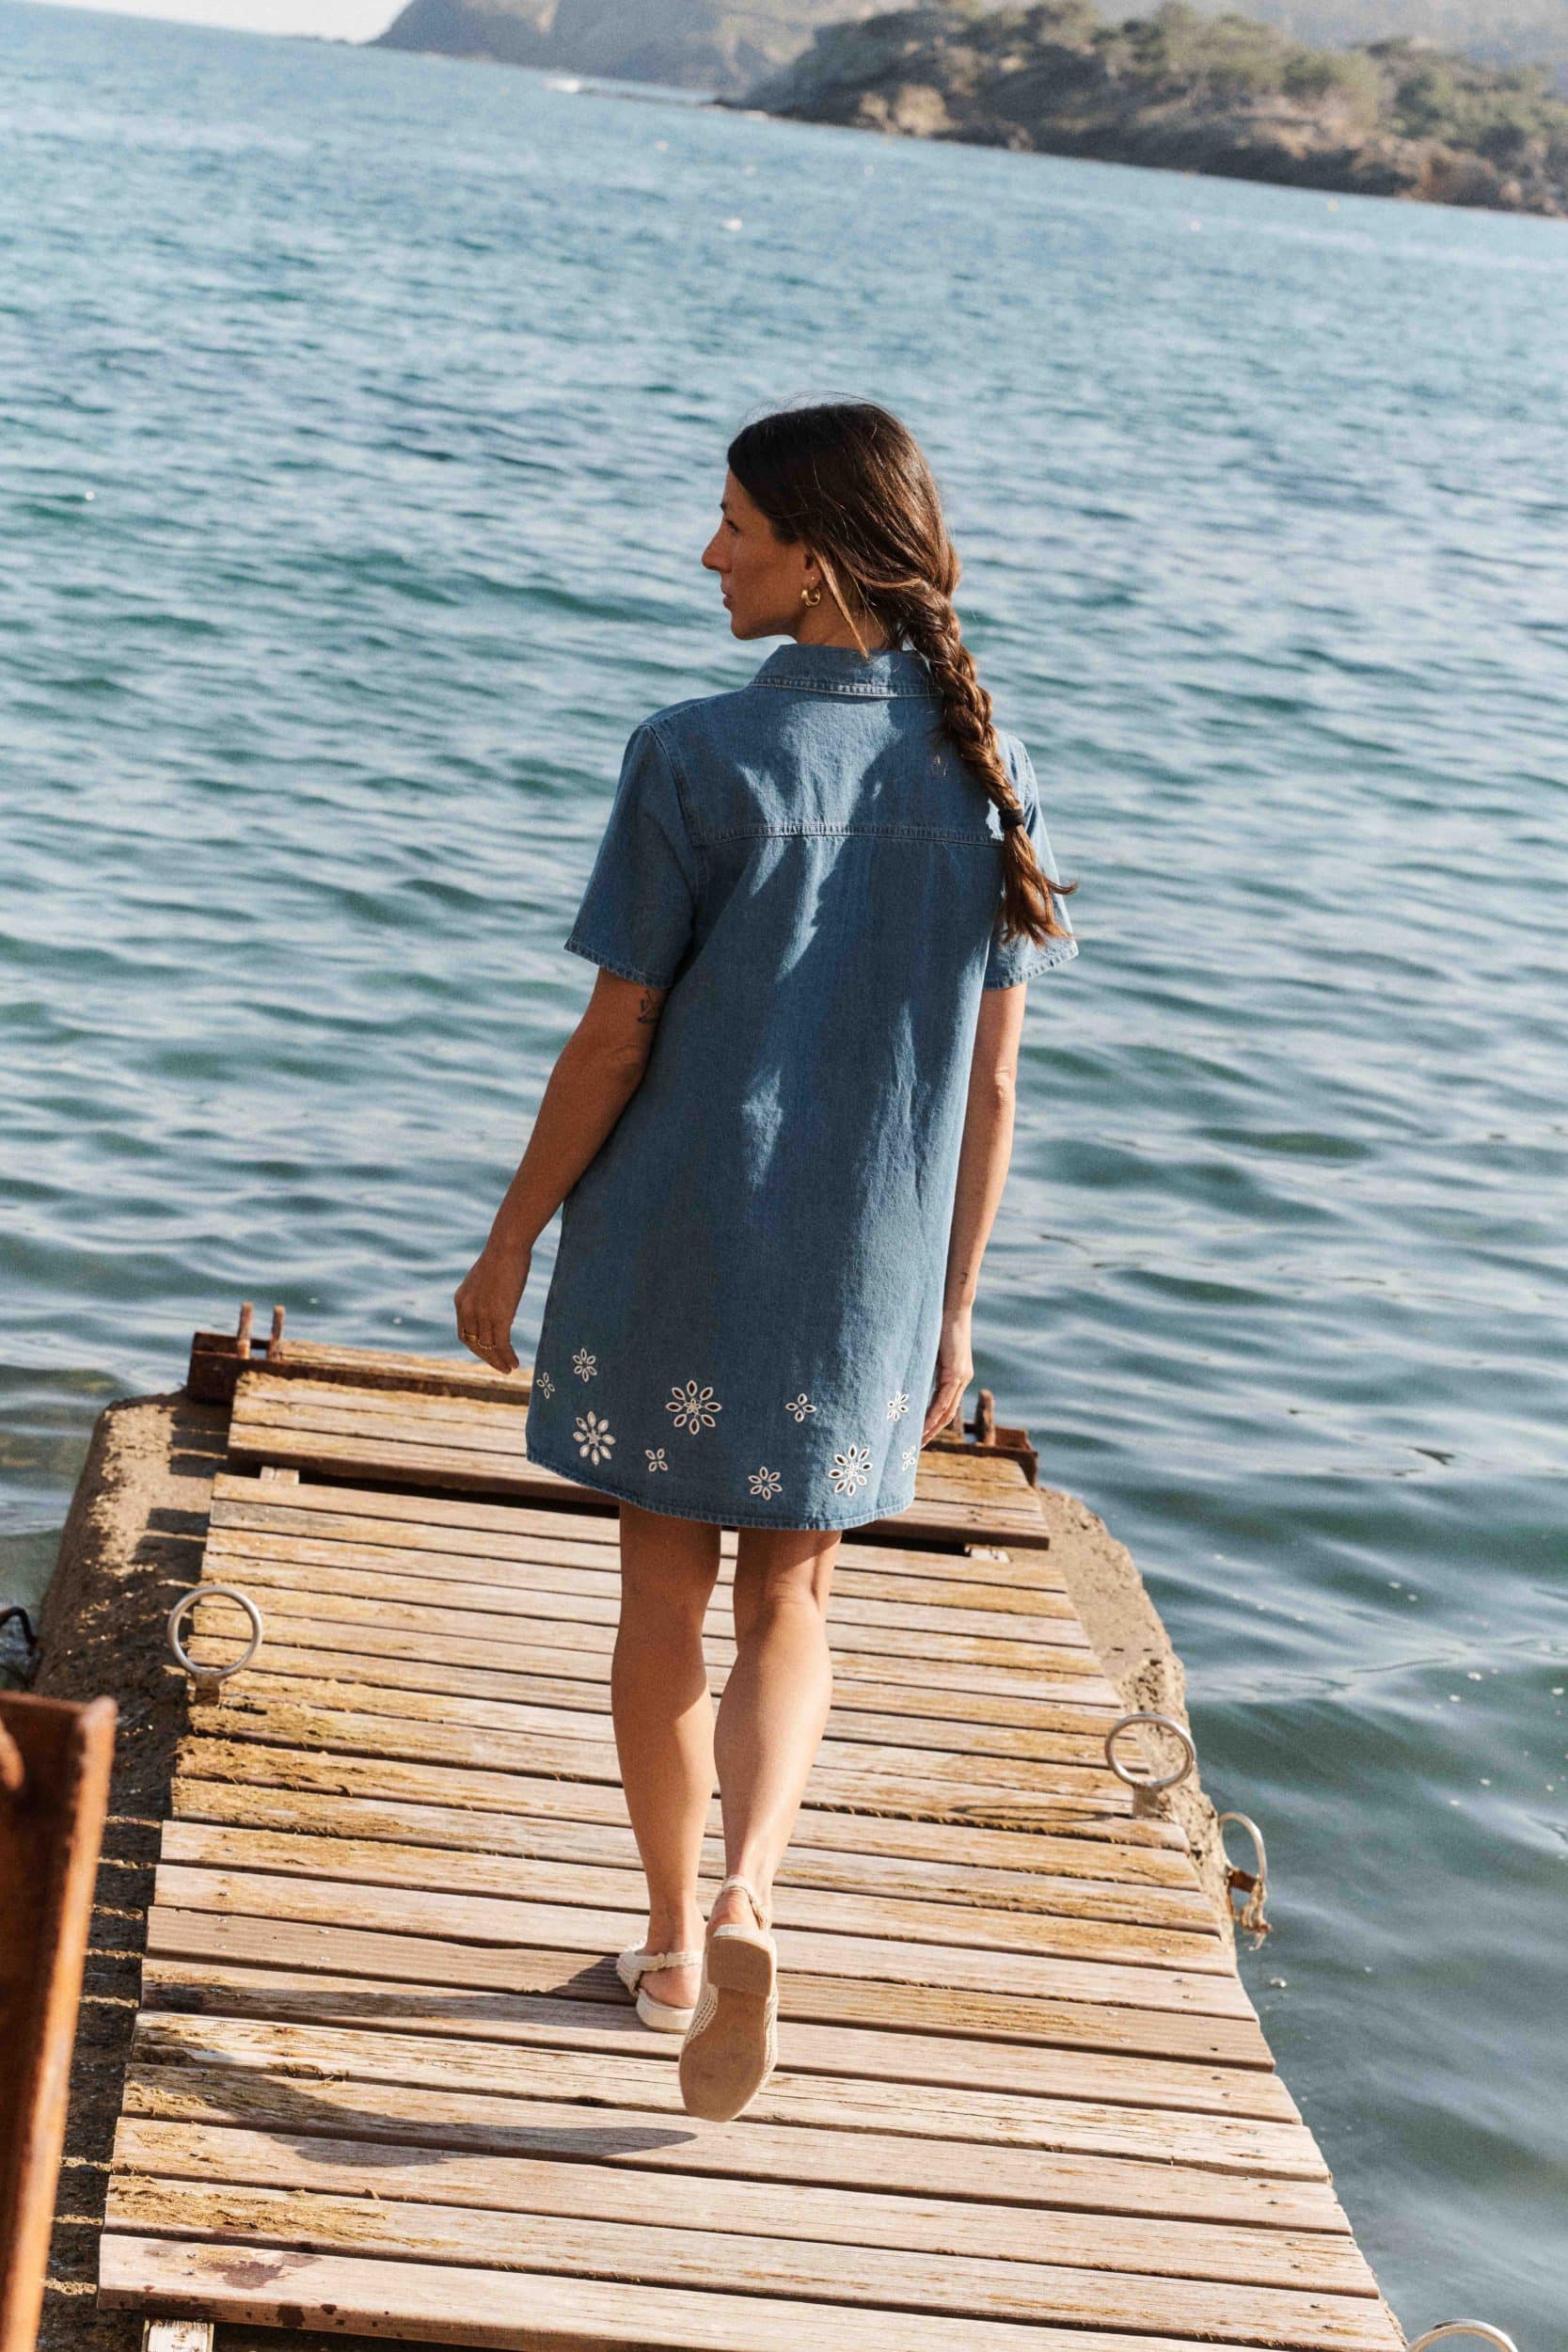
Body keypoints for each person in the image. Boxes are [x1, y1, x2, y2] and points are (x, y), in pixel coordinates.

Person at [453, 400, 1078, 2122]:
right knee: (792, 1595)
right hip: (861, 1270)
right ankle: (749, 1899)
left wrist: (508, 1241)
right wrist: (953, 1308)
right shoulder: (989, 771)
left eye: (734, 523)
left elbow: (614, 1042)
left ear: (817, 556)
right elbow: (993, 1086)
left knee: (661, 1596)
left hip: (677, 1236)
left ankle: (668, 1952)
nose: (707, 552)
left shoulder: (692, 755)